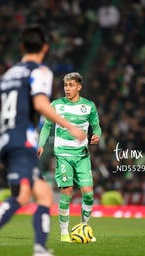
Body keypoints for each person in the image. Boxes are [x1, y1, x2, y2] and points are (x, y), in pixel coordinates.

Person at [0, 25, 86, 256]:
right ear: (45, 48)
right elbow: (40, 103)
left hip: (5, 140)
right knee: (22, 196)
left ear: (22, 47)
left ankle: (40, 251)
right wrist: (70, 126)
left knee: (44, 195)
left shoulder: (6, 75)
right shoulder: (39, 71)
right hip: (22, 140)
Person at [37, 72, 101, 243]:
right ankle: (64, 233)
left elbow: (96, 126)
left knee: (88, 193)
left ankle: (84, 228)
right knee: (67, 191)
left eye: (71, 85)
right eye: (66, 85)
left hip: (82, 156)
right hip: (63, 155)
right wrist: (41, 143)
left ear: (79, 87)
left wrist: (97, 135)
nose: (67, 89)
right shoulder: (57, 105)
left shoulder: (89, 106)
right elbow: (47, 126)